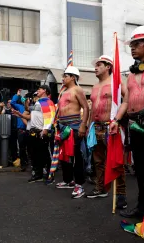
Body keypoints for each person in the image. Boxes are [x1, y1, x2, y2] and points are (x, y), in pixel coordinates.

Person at [110, 25, 144, 218]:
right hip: (134, 124)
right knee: (140, 168)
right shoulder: (131, 74)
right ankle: (142, 206)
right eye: (131, 44)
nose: (131, 48)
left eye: (136, 44)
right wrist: (116, 119)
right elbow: (126, 101)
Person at [86, 55, 127, 208]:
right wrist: (88, 126)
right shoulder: (95, 87)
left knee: (117, 162)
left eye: (98, 65)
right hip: (96, 128)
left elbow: (127, 99)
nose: (95, 68)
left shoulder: (116, 82)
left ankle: (121, 195)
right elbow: (93, 108)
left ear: (108, 66)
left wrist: (117, 119)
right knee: (98, 162)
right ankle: (100, 188)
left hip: (111, 127)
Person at [54, 66, 89, 199]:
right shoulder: (63, 92)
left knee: (77, 156)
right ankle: (68, 180)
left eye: (65, 76)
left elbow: (86, 107)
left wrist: (83, 125)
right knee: (65, 156)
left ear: (73, 77)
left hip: (74, 126)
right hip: (63, 127)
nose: (63, 78)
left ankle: (79, 185)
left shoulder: (77, 90)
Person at [15, 85, 55, 182]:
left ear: (44, 91)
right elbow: (30, 112)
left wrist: (45, 129)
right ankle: (38, 175)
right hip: (34, 132)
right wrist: (22, 110)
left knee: (45, 154)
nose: (37, 91)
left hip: (42, 132)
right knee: (35, 155)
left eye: (39, 89)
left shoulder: (46, 101)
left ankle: (50, 175)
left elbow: (50, 116)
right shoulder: (39, 102)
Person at [11, 89, 29, 172]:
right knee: (22, 148)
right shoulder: (19, 106)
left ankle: (30, 162)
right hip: (21, 130)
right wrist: (17, 94)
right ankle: (23, 164)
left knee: (30, 148)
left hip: (29, 130)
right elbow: (12, 103)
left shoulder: (31, 107)